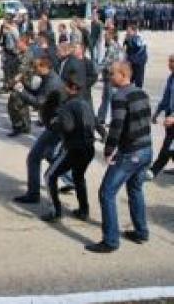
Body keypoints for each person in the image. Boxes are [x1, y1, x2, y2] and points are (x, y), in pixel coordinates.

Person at [86, 61, 152, 253]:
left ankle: (111, 241)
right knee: (135, 189)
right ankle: (141, 232)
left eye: (111, 74)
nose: (108, 77)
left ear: (123, 74)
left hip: (132, 153)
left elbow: (117, 126)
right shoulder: (141, 92)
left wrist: (108, 151)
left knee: (106, 193)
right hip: (146, 149)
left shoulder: (119, 96)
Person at [42, 75, 102, 222]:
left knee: (49, 176)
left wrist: (56, 122)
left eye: (65, 86)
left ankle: (55, 211)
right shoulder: (86, 103)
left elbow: (68, 127)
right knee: (78, 176)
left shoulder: (67, 106)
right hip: (89, 148)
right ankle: (83, 210)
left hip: (74, 148)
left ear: (70, 88)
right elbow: (96, 123)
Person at [13, 56, 66, 203]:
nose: (34, 71)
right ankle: (71, 180)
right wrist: (23, 86)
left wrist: (21, 91)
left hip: (55, 126)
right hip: (54, 124)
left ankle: (33, 194)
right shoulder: (49, 77)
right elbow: (38, 93)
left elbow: (38, 102)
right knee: (50, 156)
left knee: (33, 158)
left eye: (36, 68)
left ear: (44, 67)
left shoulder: (52, 82)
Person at [147, 54, 174, 179]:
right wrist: (157, 112)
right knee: (171, 143)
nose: (169, 64)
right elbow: (166, 98)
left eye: (172, 62)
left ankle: (153, 170)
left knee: (168, 144)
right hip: (170, 115)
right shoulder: (171, 78)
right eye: (169, 61)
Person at [97, 30, 123, 125]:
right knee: (106, 97)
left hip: (111, 76)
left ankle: (112, 119)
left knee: (110, 98)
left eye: (106, 36)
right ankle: (101, 117)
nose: (105, 38)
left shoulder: (112, 47)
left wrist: (96, 71)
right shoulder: (118, 46)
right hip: (111, 75)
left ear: (111, 37)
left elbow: (106, 62)